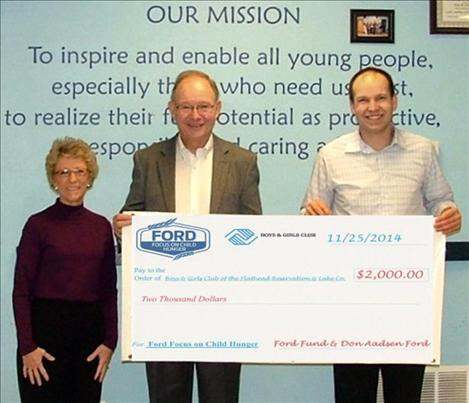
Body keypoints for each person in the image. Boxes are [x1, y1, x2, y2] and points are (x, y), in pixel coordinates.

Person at [301, 67, 461, 403]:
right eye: (363, 100)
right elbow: (309, 215)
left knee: (404, 394)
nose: (372, 106)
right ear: (352, 106)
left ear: (394, 100)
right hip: (350, 299)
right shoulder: (330, 155)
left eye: (380, 98)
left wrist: (449, 214)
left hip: (408, 296)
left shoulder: (422, 151)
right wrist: (310, 218)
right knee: (352, 394)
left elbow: (441, 201)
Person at [113, 69, 262, 403]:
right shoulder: (148, 160)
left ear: (218, 108)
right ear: (172, 109)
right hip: (164, 309)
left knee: (220, 397)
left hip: (222, 308)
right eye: (186, 107)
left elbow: (253, 230)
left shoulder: (242, 162)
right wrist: (122, 229)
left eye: (204, 106)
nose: (196, 116)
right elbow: (132, 217)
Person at [13, 137, 118, 403]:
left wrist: (109, 342)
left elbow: (108, 291)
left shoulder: (101, 227)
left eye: (79, 171)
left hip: (89, 343)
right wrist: (27, 347)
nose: (72, 179)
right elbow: (22, 292)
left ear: (89, 176)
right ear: (54, 179)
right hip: (43, 342)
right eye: (64, 172)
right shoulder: (37, 226)